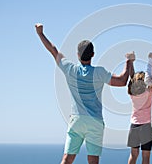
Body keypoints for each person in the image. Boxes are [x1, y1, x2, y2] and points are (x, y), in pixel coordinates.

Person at [35, 23, 135, 164]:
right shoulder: (99, 73)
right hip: (95, 121)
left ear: (77, 55)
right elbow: (122, 81)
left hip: (77, 120)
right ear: (93, 55)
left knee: (67, 159)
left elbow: (53, 50)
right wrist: (129, 61)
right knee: (93, 160)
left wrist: (40, 33)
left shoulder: (70, 69)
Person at [126, 53, 152, 164]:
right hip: (146, 127)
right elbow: (151, 76)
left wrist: (131, 62)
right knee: (146, 157)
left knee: (133, 155)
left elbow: (132, 77)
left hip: (134, 126)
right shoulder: (148, 92)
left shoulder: (132, 94)